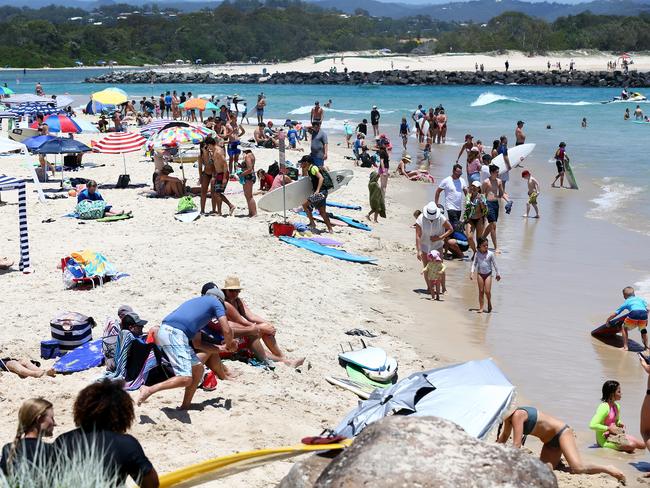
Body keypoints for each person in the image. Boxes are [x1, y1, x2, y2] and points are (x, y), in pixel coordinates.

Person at [137, 288, 236, 409]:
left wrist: (223, 348)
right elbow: (227, 329)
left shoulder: (196, 306)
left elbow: (198, 344)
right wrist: (230, 344)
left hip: (170, 332)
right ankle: (149, 389)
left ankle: (185, 405)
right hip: (174, 334)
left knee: (198, 369)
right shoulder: (216, 302)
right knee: (185, 378)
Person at [55, 380, 159, 487]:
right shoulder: (126, 444)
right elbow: (151, 484)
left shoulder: (63, 440)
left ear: (81, 409)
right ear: (124, 414)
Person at [498, 407, 625, 482]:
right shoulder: (509, 419)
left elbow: (516, 445)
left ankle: (608, 468)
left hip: (562, 433)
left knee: (578, 468)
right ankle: (560, 463)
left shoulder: (518, 415)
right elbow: (503, 437)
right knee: (543, 472)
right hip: (550, 443)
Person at [221, 277, 304, 368]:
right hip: (233, 336)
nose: (235, 293)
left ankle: (282, 357)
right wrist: (259, 327)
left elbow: (250, 316)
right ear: (225, 291)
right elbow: (235, 325)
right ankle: (284, 360)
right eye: (231, 291)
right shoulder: (225, 305)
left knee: (266, 329)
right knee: (254, 335)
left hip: (241, 332)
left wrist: (268, 324)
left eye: (237, 291)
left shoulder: (237, 301)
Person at [1, 398, 55, 476]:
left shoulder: (8, 449)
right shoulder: (51, 450)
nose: (55, 423)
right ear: (39, 419)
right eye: (52, 418)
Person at [590, 380, 646, 452]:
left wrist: (619, 423)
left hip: (615, 434)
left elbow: (615, 421)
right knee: (632, 446)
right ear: (611, 394)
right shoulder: (604, 407)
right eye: (619, 391)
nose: (621, 393)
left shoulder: (617, 406)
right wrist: (608, 428)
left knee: (643, 445)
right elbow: (592, 425)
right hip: (604, 440)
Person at [415, 203, 453, 292]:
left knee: (439, 267)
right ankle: (429, 287)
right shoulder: (420, 219)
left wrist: (439, 238)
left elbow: (450, 229)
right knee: (427, 266)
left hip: (437, 245)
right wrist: (419, 250)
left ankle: (443, 288)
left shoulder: (441, 218)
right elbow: (417, 236)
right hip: (424, 245)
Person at [605, 286, 649, 351]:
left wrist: (608, 320)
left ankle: (625, 347)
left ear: (624, 296)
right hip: (644, 314)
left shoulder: (627, 302)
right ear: (634, 294)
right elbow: (648, 309)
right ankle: (646, 347)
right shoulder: (641, 299)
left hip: (634, 313)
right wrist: (646, 319)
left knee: (624, 327)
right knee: (643, 330)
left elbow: (616, 313)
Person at [300, 155, 333, 233]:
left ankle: (312, 223)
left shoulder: (313, 168)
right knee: (322, 212)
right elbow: (304, 176)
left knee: (305, 205)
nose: (301, 163)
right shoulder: (309, 169)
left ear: (307, 162)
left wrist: (317, 190)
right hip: (323, 193)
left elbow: (321, 178)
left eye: (302, 162)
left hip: (321, 193)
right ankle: (330, 229)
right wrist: (303, 168)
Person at [482, 164, 509, 253]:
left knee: (493, 226)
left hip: (495, 204)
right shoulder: (486, 182)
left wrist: (509, 201)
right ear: (492, 172)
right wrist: (483, 205)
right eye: (497, 172)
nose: (498, 173)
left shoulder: (499, 181)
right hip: (488, 204)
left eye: (498, 172)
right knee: (493, 224)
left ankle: (481, 239)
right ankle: (496, 247)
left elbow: (502, 194)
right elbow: (481, 194)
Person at [470, 237, 500, 313]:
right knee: (481, 291)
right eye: (484, 245)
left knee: (487, 291)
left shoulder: (490, 254)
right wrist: (472, 272)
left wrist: (497, 273)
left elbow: (495, 264)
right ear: (479, 246)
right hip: (480, 274)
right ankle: (481, 307)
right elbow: (474, 263)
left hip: (488, 274)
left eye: (487, 245)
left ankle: (489, 302)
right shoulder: (477, 253)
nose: (486, 247)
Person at [435, 164, 467, 231]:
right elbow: (438, 191)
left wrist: (469, 205)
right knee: (457, 226)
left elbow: (467, 193)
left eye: (460, 173)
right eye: (457, 173)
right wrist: (436, 204)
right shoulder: (446, 180)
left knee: (454, 225)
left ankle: (447, 235)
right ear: (453, 171)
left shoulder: (462, 181)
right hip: (450, 207)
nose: (459, 175)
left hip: (459, 208)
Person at [463, 181, 487, 255]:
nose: (473, 188)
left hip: (479, 219)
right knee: (469, 238)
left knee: (479, 239)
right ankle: (475, 252)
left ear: (479, 188)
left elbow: (484, 209)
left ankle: (479, 255)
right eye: (472, 186)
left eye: (475, 187)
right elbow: (466, 209)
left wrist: (481, 202)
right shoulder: (468, 196)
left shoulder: (482, 196)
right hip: (470, 219)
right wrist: (463, 219)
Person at [198, 137, 219, 215]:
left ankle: (214, 209)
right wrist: (200, 177)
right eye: (205, 146)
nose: (206, 148)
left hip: (213, 173)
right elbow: (200, 167)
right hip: (206, 173)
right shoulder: (200, 156)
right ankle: (202, 210)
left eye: (207, 146)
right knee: (203, 192)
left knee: (213, 192)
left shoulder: (212, 154)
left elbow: (214, 165)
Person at [240, 149, 257, 217]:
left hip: (248, 176)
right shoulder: (252, 155)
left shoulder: (247, 156)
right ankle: (251, 212)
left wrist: (241, 174)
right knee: (248, 195)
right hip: (250, 176)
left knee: (249, 196)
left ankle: (254, 213)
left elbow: (250, 169)